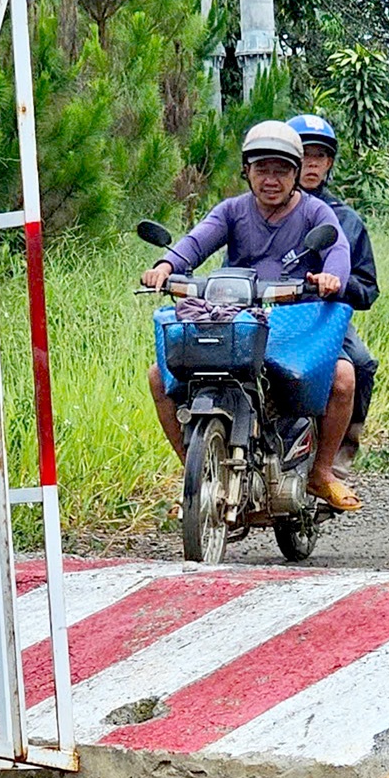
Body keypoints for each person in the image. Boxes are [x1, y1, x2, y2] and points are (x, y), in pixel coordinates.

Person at [143, 120, 361, 511]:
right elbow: (196, 241)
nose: (271, 180)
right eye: (262, 169)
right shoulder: (232, 211)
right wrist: (165, 266)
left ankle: (322, 472)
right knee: (160, 375)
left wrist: (332, 277)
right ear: (247, 171)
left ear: (296, 173)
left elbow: (338, 251)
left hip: (298, 321)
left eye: (281, 170)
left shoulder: (316, 213)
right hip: (237, 320)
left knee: (344, 378)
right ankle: (194, 477)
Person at [288, 113, 377, 464]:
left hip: (325, 317)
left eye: (320, 156)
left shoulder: (346, 220)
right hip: (269, 311)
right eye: (304, 154)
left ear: (329, 164)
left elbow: (368, 288)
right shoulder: (263, 209)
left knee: (360, 363)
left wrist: (334, 286)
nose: (312, 163)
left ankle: (338, 457)